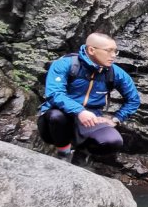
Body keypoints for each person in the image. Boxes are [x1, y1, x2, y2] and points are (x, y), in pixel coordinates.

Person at [37, 32, 141, 161]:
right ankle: (63, 152)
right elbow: (54, 93)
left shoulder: (115, 73)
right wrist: (80, 111)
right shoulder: (65, 64)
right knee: (56, 117)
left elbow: (133, 100)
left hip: (91, 118)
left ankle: (82, 152)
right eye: (109, 51)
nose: (113, 55)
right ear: (91, 50)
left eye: (115, 51)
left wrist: (116, 118)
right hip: (57, 119)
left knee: (114, 141)